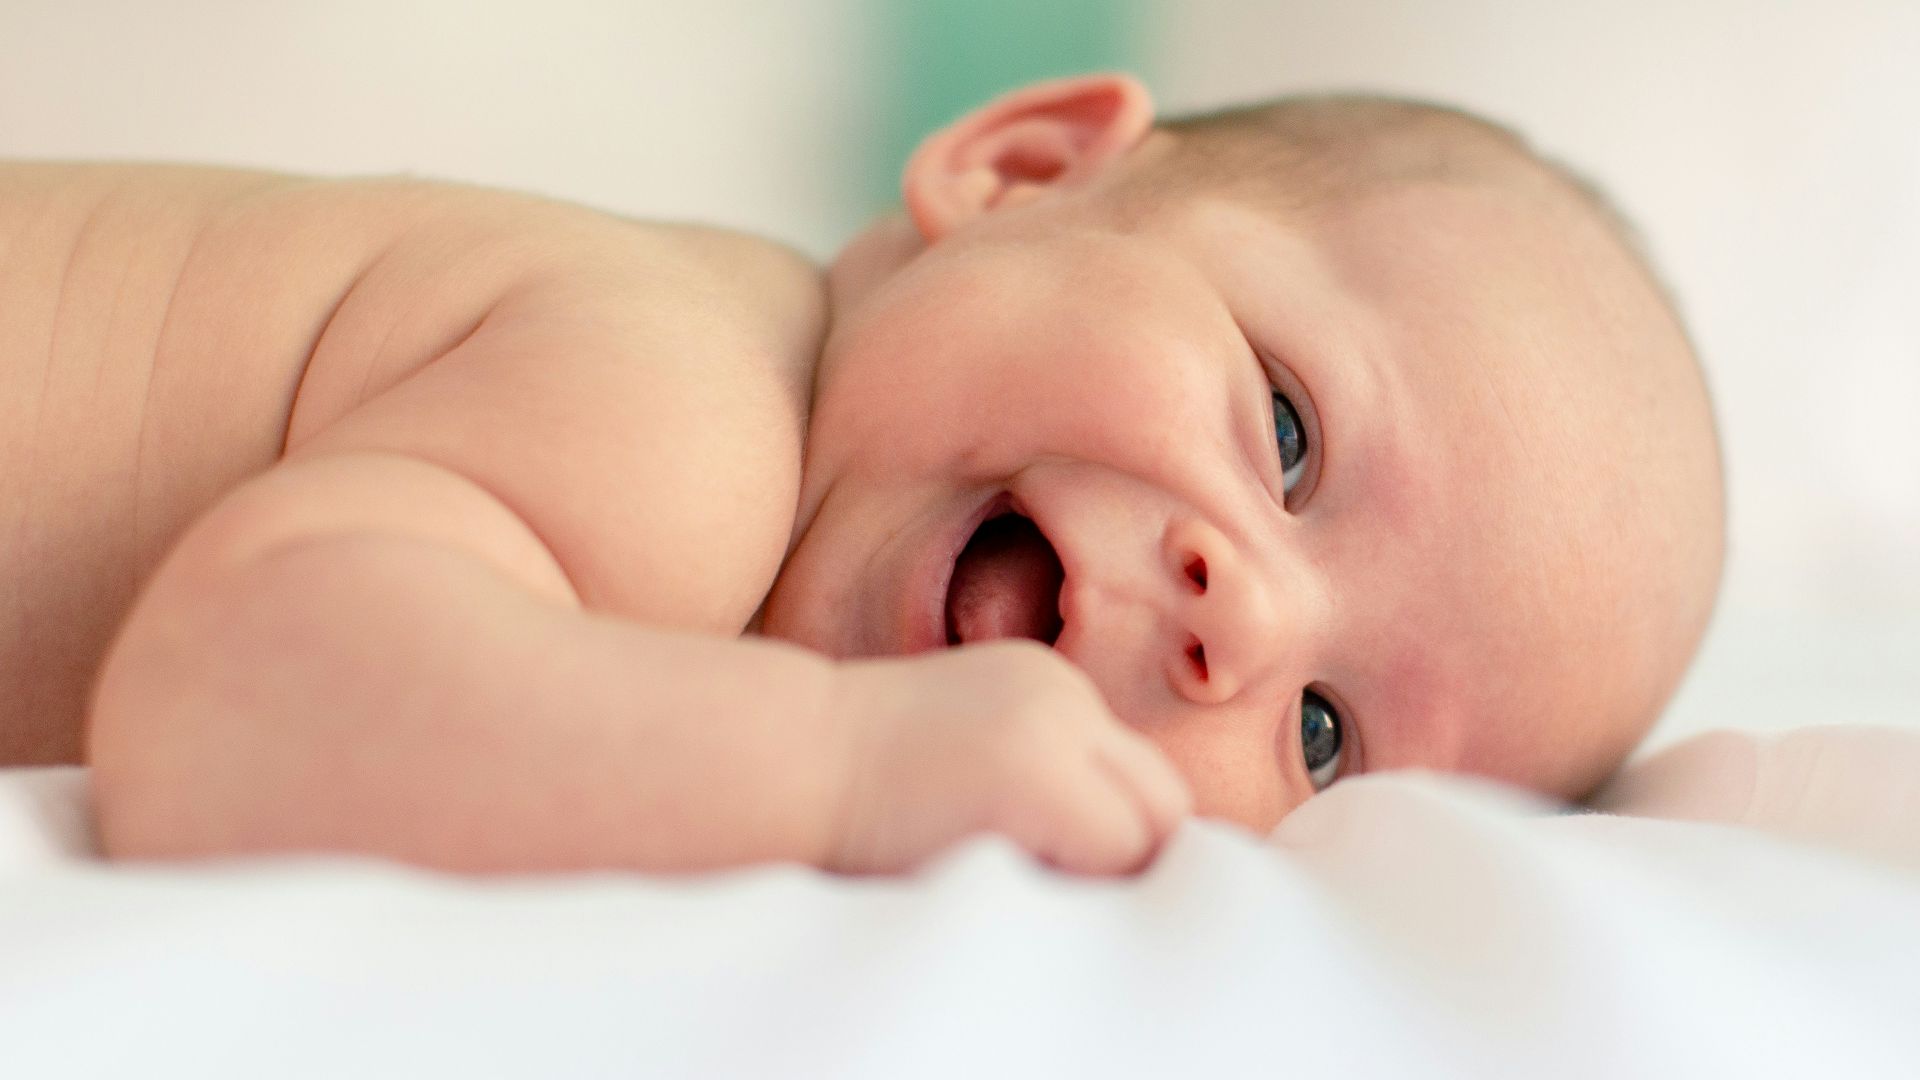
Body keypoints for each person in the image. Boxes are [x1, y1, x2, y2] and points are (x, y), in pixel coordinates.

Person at [2, 73, 1721, 876]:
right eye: (1285, 431)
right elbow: (230, 710)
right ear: (1021, 168)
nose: (1240, 625)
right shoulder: (687, 411)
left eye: (1325, 739)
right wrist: (833, 769)